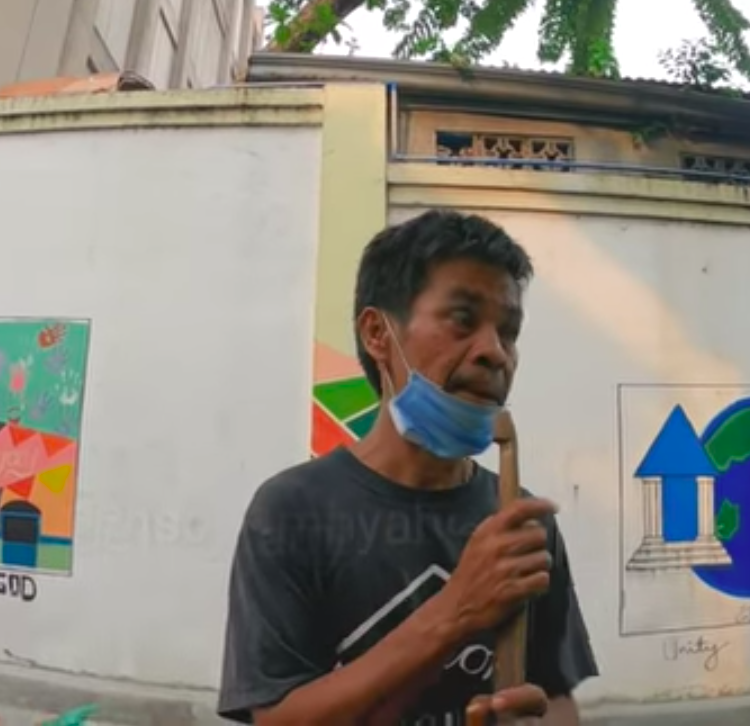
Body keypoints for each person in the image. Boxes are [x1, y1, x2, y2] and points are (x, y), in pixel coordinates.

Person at [218, 210, 597, 725]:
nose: (495, 353)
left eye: (508, 332)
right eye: (462, 319)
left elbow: (555, 697)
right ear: (378, 333)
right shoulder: (291, 511)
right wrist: (454, 612)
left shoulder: (524, 524)